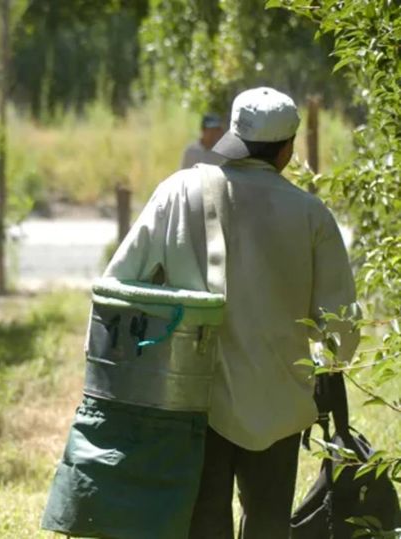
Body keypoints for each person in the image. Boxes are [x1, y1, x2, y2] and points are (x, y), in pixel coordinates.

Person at [103, 88, 359, 537]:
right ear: (287, 148)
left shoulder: (178, 192)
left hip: (191, 400)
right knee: (268, 522)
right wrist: (323, 365)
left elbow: (118, 284)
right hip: (278, 403)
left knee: (202, 523)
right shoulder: (311, 215)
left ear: (233, 135)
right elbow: (341, 331)